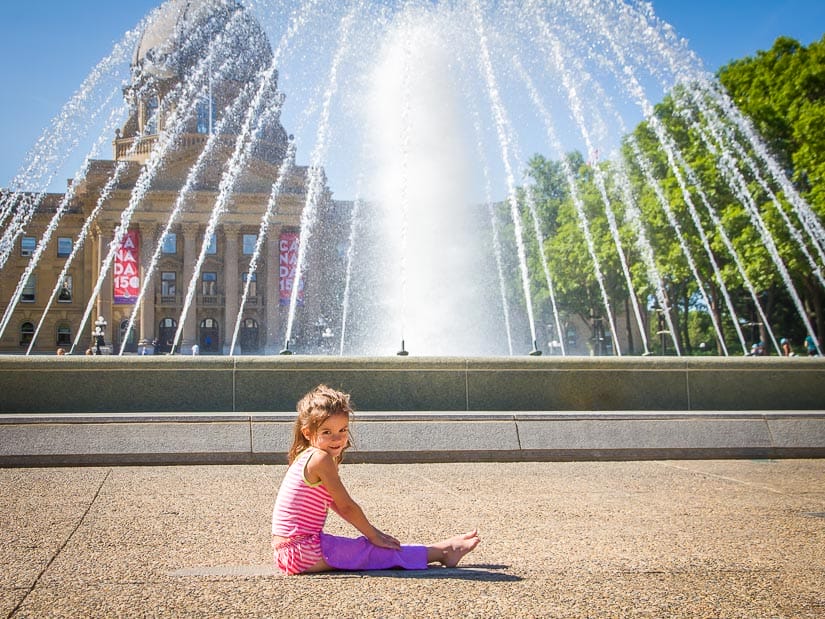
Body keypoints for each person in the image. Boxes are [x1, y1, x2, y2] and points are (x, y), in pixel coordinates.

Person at [271, 384, 480, 575]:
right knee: (371, 552)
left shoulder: (307, 455)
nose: (337, 438)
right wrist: (372, 536)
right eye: (327, 432)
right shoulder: (321, 458)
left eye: (342, 430)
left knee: (368, 546)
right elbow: (346, 507)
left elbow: (332, 502)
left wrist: (374, 532)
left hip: (289, 551)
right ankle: (443, 552)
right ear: (308, 433)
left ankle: (440, 549)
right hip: (301, 552)